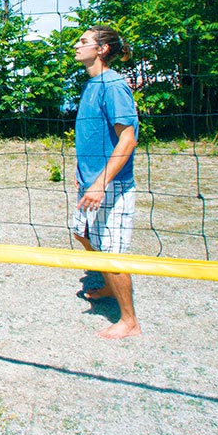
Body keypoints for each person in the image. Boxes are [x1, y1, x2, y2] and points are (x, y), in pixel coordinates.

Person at [72, 25, 140, 339]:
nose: (76, 45)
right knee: (81, 232)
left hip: (112, 185)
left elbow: (128, 140)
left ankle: (129, 321)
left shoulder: (113, 85)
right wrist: (82, 172)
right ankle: (112, 289)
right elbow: (92, 137)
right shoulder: (90, 85)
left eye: (83, 41)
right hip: (90, 182)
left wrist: (100, 183)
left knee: (113, 254)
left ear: (102, 49)